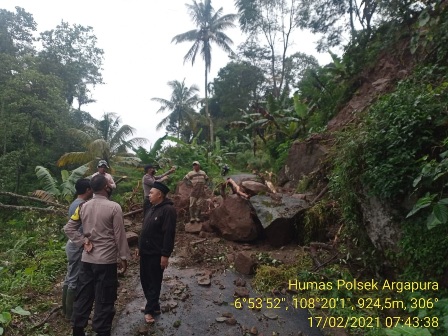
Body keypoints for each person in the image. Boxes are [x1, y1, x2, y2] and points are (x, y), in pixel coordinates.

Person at [64, 174, 131, 336]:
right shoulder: (114, 207)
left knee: (84, 296)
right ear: (105, 187)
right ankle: (102, 331)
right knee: (105, 299)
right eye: (109, 184)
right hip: (106, 262)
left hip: (87, 261)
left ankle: (78, 329)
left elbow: (68, 229)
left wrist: (83, 241)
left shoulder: (83, 207)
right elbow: (119, 235)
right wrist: (123, 258)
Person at [135, 181, 176, 324]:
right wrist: (140, 247)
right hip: (145, 251)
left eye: (151, 193)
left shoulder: (168, 210)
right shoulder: (152, 208)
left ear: (160, 195)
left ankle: (149, 310)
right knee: (145, 279)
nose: (149, 195)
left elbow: (169, 234)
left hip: (156, 253)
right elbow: (145, 229)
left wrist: (165, 255)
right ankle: (155, 306)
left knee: (154, 281)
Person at [62, 179, 93, 321]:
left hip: (72, 243)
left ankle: (65, 310)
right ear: (87, 190)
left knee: (70, 276)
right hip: (77, 245)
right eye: (91, 189)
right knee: (74, 278)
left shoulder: (75, 203)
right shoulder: (82, 205)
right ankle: (70, 314)